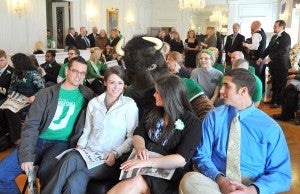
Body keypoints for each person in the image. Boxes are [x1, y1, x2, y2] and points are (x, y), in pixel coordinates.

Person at [179, 68, 292, 194]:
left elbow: (282, 174)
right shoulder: (214, 117)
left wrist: (252, 190)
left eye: (227, 86)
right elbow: (201, 154)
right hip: (216, 180)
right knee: (189, 180)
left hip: (253, 183)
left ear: (243, 90)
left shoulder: (269, 127)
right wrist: (221, 180)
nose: (221, 91)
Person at [0, 56, 95, 193]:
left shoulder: (88, 95)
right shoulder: (46, 93)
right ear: (67, 70)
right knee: (2, 175)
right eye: (75, 71)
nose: (78, 76)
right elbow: (31, 124)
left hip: (61, 143)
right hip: (37, 140)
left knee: (49, 173)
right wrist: (27, 154)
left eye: (82, 73)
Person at [42, 66, 139, 194]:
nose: (116, 87)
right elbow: (87, 131)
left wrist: (115, 153)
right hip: (89, 153)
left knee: (71, 159)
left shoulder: (129, 105)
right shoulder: (94, 103)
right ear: (105, 83)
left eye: (120, 83)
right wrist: (80, 147)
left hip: (109, 160)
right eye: (112, 82)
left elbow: (132, 137)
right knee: (75, 180)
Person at [108, 74, 202, 194]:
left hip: (169, 172)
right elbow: (139, 132)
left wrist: (146, 162)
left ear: (169, 96)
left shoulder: (192, 123)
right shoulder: (154, 109)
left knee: (135, 182)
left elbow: (181, 159)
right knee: (134, 179)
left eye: (157, 92)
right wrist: (141, 148)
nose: (154, 95)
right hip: (145, 162)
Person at [0, 53, 45, 146]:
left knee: (10, 111)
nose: (13, 65)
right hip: (17, 98)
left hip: (30, 99)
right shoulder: (16, 74)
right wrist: (9, 94)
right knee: (1, 108)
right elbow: (12, 87)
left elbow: (42, 90)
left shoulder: (33, 74)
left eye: (15, 63)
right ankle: (5, 134)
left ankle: (18, 138)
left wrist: (34, 96)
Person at [257, 20, 291, 108]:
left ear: (281, 27)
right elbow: (268, 49)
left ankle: (278, 102)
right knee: (274, 83)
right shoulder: (274, 36)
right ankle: (273, 100)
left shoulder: (286, 37)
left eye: (275, 26)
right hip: (273, 65)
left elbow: (283, 50)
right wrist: (261, 57)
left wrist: (270, 58)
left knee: (280, 84)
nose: (273, 27)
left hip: (282, 65)